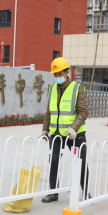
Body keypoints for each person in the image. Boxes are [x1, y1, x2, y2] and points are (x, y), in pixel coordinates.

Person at [40, 57, 90, 202]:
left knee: (80, 162)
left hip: (75, 134)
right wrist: (45, 130)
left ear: (67, 72)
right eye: (55, 74)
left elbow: (83, 112)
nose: (57, 77)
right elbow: (49, 111)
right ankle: (53, 192)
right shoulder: (52, 88)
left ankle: (86, 192)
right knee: (53, 163)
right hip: (56, 133)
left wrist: (74, 128)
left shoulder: (77, 88)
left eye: (60, 74)